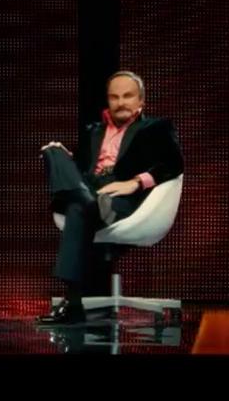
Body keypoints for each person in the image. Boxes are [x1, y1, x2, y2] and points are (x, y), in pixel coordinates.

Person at [37, 71, 183, 324]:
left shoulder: (156, 128)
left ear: (141, 100)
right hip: (90, 188)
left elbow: (175, 163)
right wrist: (65, 159)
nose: (121, 102)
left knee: (78, 209)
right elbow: (82, 168)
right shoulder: (93, 131)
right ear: (108, 100)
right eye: (115, 97)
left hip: (120, 195)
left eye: (128, 96)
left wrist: (135, 182)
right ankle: (83, 197)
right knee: (53, 152)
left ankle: (73, 304)